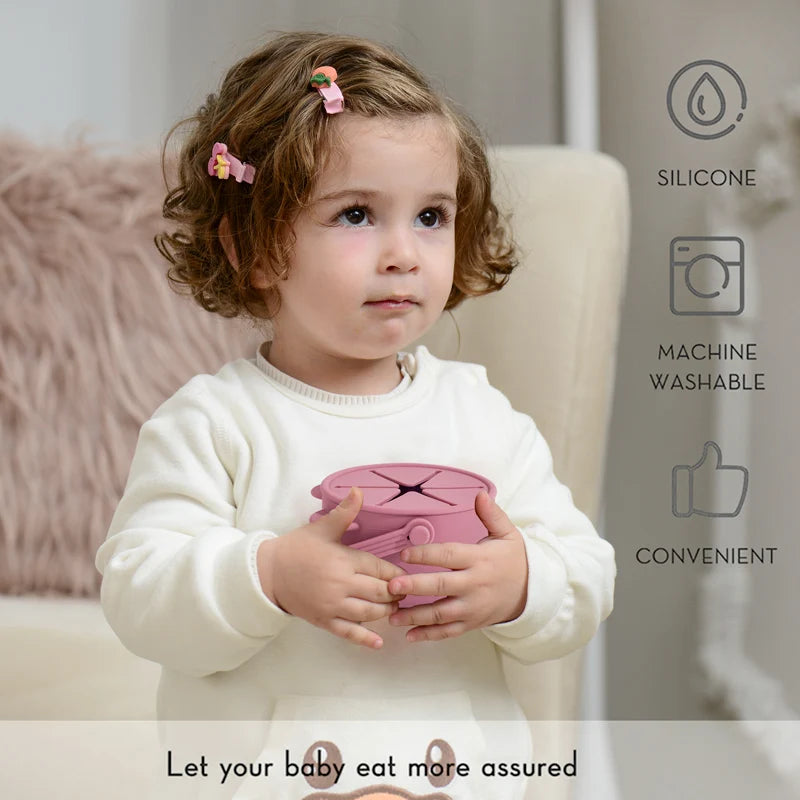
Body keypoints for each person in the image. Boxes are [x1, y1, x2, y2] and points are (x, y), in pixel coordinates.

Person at [95, 30, 615, 796]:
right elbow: (139, 594)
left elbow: (588, 573)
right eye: (357, 214)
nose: (404, 253)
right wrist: (267, 574)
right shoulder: (214, 424)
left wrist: (522, 581)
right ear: (254, 248)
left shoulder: (482, 418)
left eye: (431, 216)